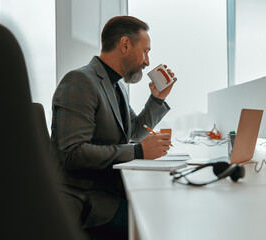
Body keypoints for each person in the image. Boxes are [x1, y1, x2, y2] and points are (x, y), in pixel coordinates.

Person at [51, 16, 176, 239]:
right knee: (157, 224)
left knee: (163, 208)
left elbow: (133, 132)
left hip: (111, 190)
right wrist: (138, 151)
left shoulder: (116, 85)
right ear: (125, 44)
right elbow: (72, 153)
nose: (147, 62)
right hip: (89, 199)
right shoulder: (80, 81)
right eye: (145, 51)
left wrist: (156, 99)